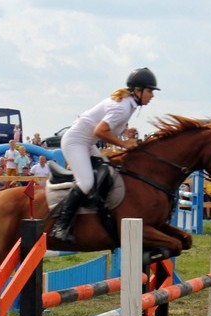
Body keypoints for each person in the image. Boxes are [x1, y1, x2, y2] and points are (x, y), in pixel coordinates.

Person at [51, 67, 158, 242]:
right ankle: (61, 227)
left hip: (86, 143)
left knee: (108, 170)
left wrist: (126, 132)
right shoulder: (123, 107)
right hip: (76, 142)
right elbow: (100, 130)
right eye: (149, 91)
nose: (152, 95)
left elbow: (109, 125)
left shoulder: (128, 104)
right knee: (86, 183)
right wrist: (123, 143)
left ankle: (98, 212)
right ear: (138, 91)